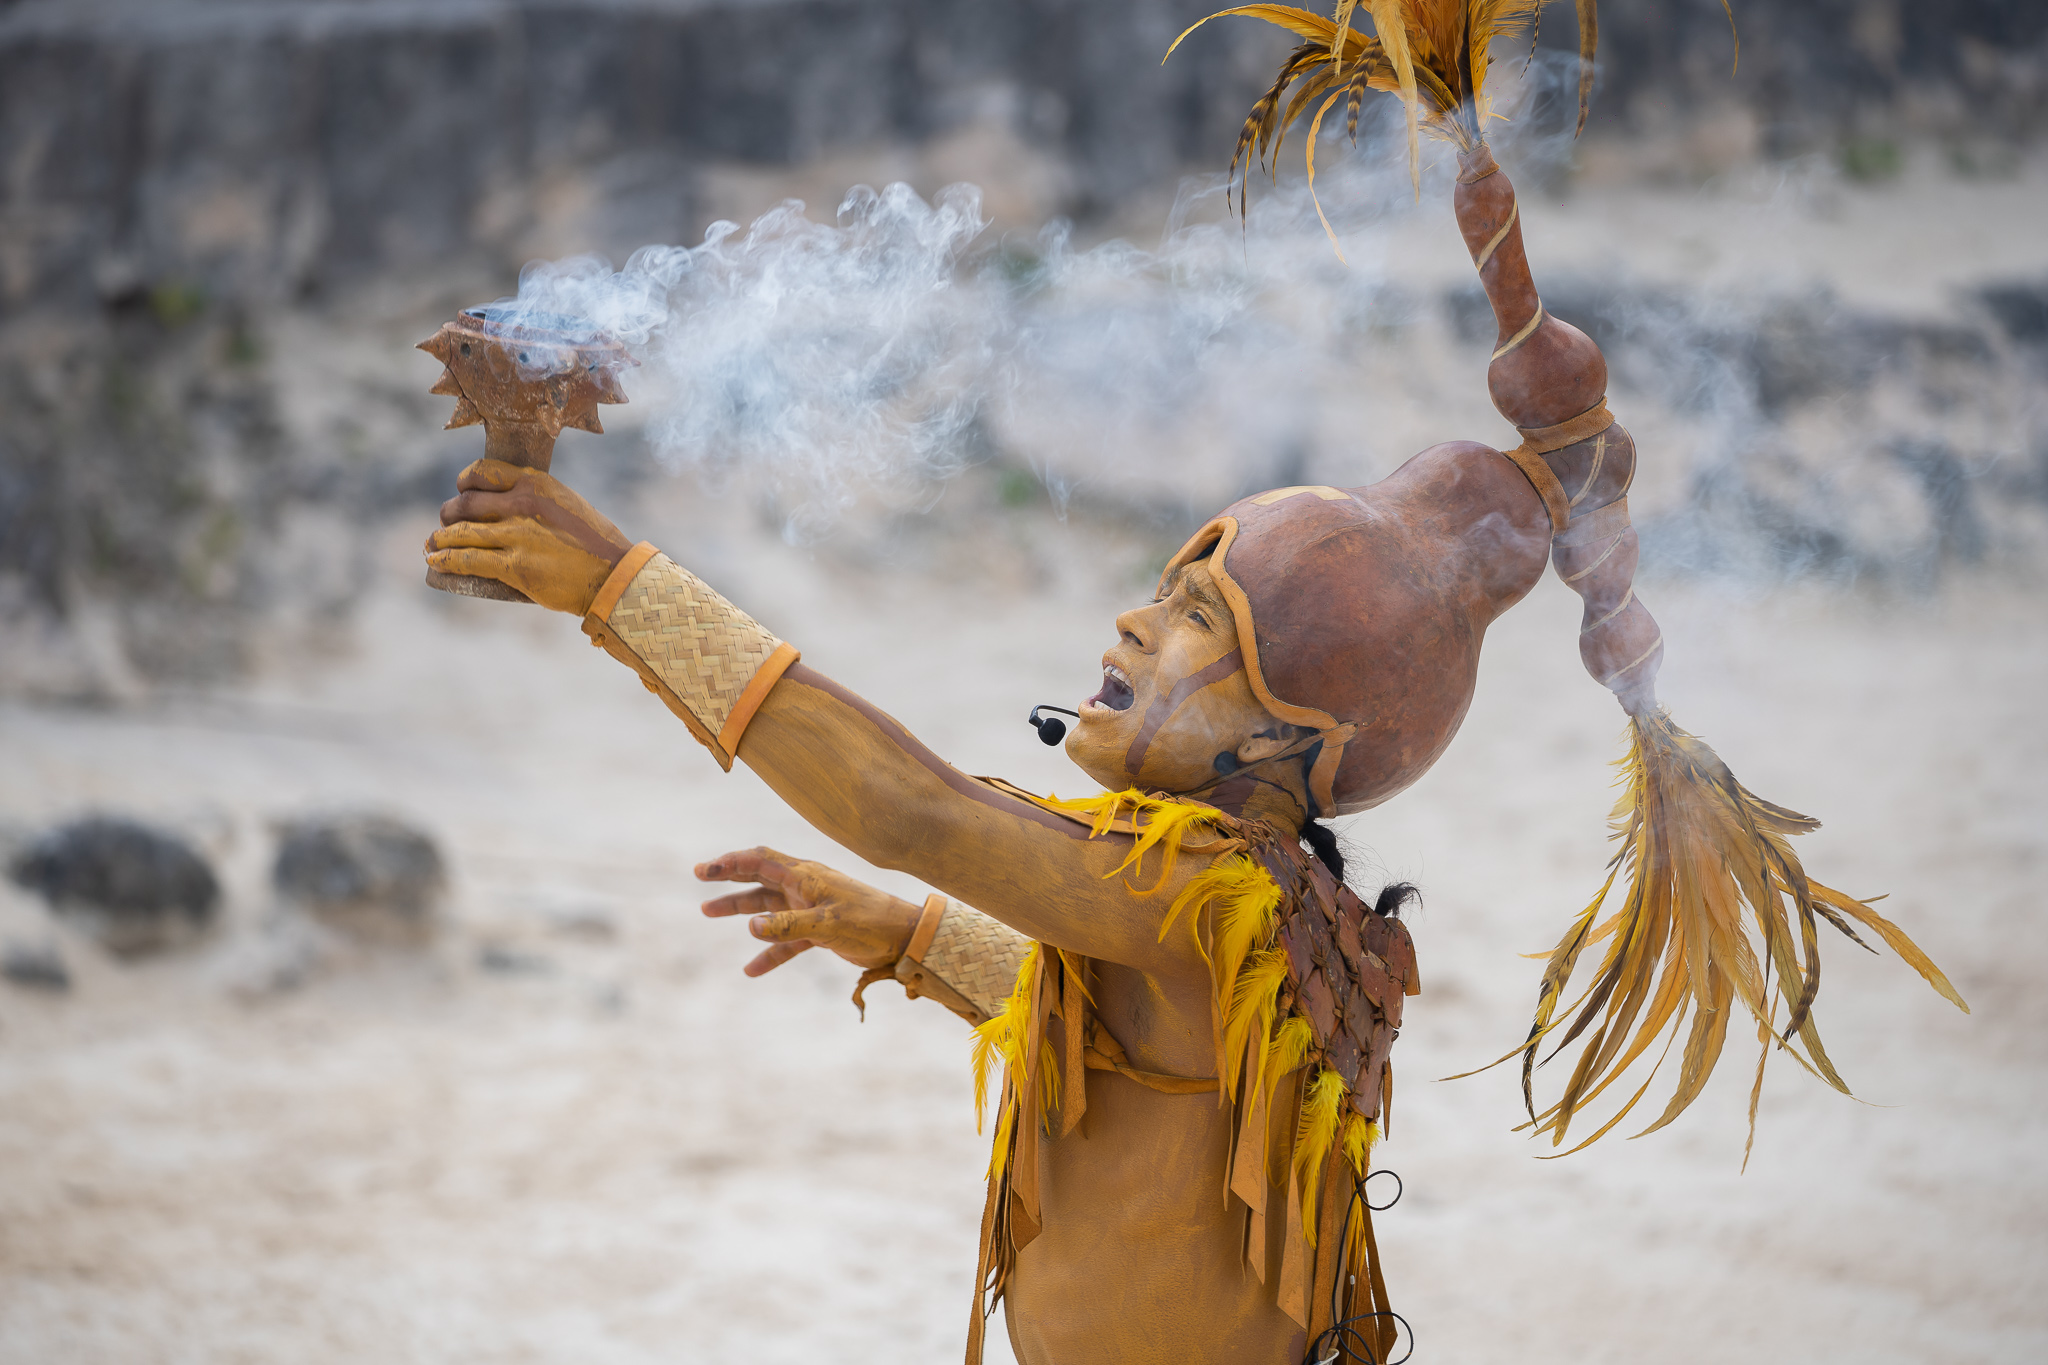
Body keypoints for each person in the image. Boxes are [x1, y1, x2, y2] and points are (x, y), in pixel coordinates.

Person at [423, 7, 1961, 1361]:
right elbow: (1128, 1036)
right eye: (1163, 595)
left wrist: (615, 584)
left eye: (1188, 622)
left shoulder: (1199, 889)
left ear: (1288, 741)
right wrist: (901, 934)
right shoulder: (1262, 905)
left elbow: (917, 807)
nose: (1128, 624)